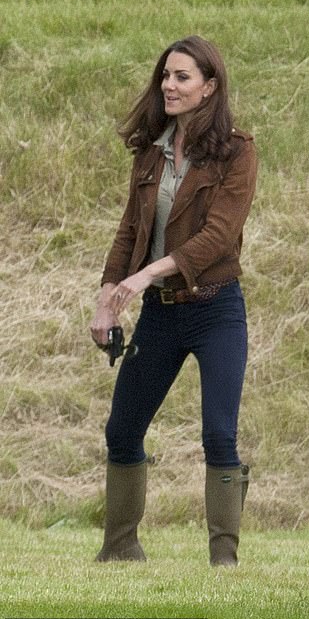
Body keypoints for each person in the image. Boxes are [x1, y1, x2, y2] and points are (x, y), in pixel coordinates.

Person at [90, 36, 257, 566]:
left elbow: (219, 237)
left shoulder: (237, 150)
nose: (169, 84)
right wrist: (105, 300)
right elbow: (128, 232)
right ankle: (120, 549)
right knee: (123, 428)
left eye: (182, 77)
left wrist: (145, 277)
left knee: (218, 433)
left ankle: (223, 560)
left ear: (210, 87)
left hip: (216, 310)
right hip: (161, 314)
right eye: (166, 75)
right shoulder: (151, 149)